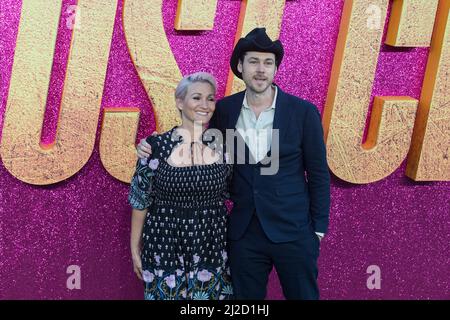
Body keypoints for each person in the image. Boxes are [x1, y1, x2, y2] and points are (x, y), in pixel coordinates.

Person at [137, 28, 330, 300]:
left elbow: (319, 174)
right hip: (243, 233)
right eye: (253, 61)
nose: (261, 70)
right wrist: (154, 143)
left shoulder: (303, 112)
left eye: (268, 63)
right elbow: (194, 137)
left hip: (294, 232)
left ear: (275, 69)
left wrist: (318, 230)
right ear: (240, 66)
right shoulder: (224, 110)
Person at [128, 72, 233, 300]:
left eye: (211, 98)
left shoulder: (224, 147)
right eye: (196, 97)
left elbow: (239, 190)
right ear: (179, 102)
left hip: (211, 243)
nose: (205, 105)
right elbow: (140, 199)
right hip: (164, 243)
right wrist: (135, 248)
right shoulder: (155, 146)